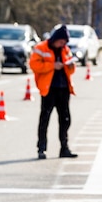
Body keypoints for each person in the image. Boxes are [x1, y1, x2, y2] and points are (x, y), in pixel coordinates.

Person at [29, 24, 77, 160]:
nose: (63, 44)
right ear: (56, 39)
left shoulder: (65, 50)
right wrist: (52, 66)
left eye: (65, 42)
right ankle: (41, 149)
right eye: (61, 41)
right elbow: (34, 65)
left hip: (64, 89)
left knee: (65, 119)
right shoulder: (41, 48)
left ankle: (64, 148)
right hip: (49, 89)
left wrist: (71, 66)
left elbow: (71, 70)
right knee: (45, 119)